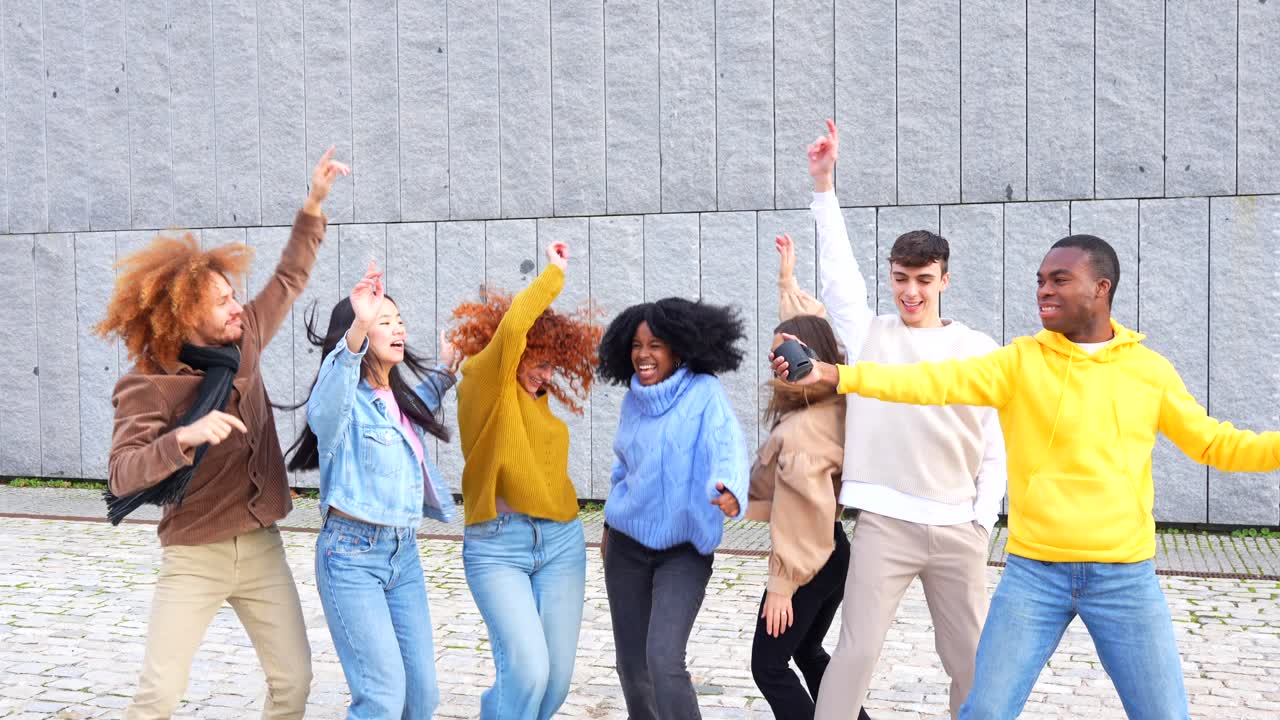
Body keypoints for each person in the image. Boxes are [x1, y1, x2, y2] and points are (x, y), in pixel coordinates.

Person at [772, 230, 1280, 719]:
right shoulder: (1018, 362)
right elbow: (930, 382)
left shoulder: (1150, 371)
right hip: (1035, 575)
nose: (1044, 289)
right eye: (1041, 279)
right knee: (985, 710)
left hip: (1124, 578)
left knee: (1165, 714)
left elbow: (1216, 443)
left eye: (1059, 280)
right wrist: (836, 374)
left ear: (1101, 289)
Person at [98, 147, 349, 719]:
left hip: (261, 545)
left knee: (294, 683)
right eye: (222, 301)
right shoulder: (150, 384)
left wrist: (313, 203)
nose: (238, 306)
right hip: (194, 552)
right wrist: (181, 439)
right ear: (185, 316)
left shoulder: (244, 341)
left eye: (234, 294)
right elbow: (122, 471)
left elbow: (289, 277)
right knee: (158, 695)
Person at [802, 120, 1006, 720]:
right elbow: (839, 275)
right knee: (856, 653)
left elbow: (996, 441)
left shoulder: (978, 347)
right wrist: (823, 186)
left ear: (945, 280)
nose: (910, 292)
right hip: (885, 523)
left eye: (922, 280)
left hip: (957, 528)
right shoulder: (868, 335)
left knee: (969, 659)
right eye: (900, 279)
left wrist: (982, 516)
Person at [285, 260, 457, 719]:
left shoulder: (397, 400)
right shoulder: (341, 404)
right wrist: (360, 326)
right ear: (360, 331)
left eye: (398, 320)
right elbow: (325, 406)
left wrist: (448, 369)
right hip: (351, 557)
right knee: (380, 698)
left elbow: (418, 404)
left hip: (404, 554)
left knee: (420, 700)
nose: (397, 328)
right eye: (385, 321)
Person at [445, 241, 603, 720]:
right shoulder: (482, 380)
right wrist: (554, 274)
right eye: (540, 361)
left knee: (553, 686)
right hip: (498, 548)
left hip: (561, 542)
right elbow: (514, 327)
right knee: (528, 671)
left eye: (554, 364)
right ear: (516, 353)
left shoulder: (537, 399)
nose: (547, 373)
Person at [596, 293, 751, 720]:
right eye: (636, 346)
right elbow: (624, 464)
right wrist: (609, 524)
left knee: (663, 659)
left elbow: (728, 447)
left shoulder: (704, 393)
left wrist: (730, 488)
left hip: (683, 549)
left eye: (655, 346)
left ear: (678, 349)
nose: (643, 355)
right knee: (632, 665)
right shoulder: (633, 399)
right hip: (626, 545)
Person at [747, 234, 868, 720]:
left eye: (787, 358)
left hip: (811, 557)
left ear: (812, 360)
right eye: (774, 355)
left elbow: (804, 514)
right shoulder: (831, 394)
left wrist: (782, 585)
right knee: (809, 653)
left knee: (769, 666)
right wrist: (787, 280)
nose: (778, 364)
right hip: (834, 554)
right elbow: (804, 335)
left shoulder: (803, 430)